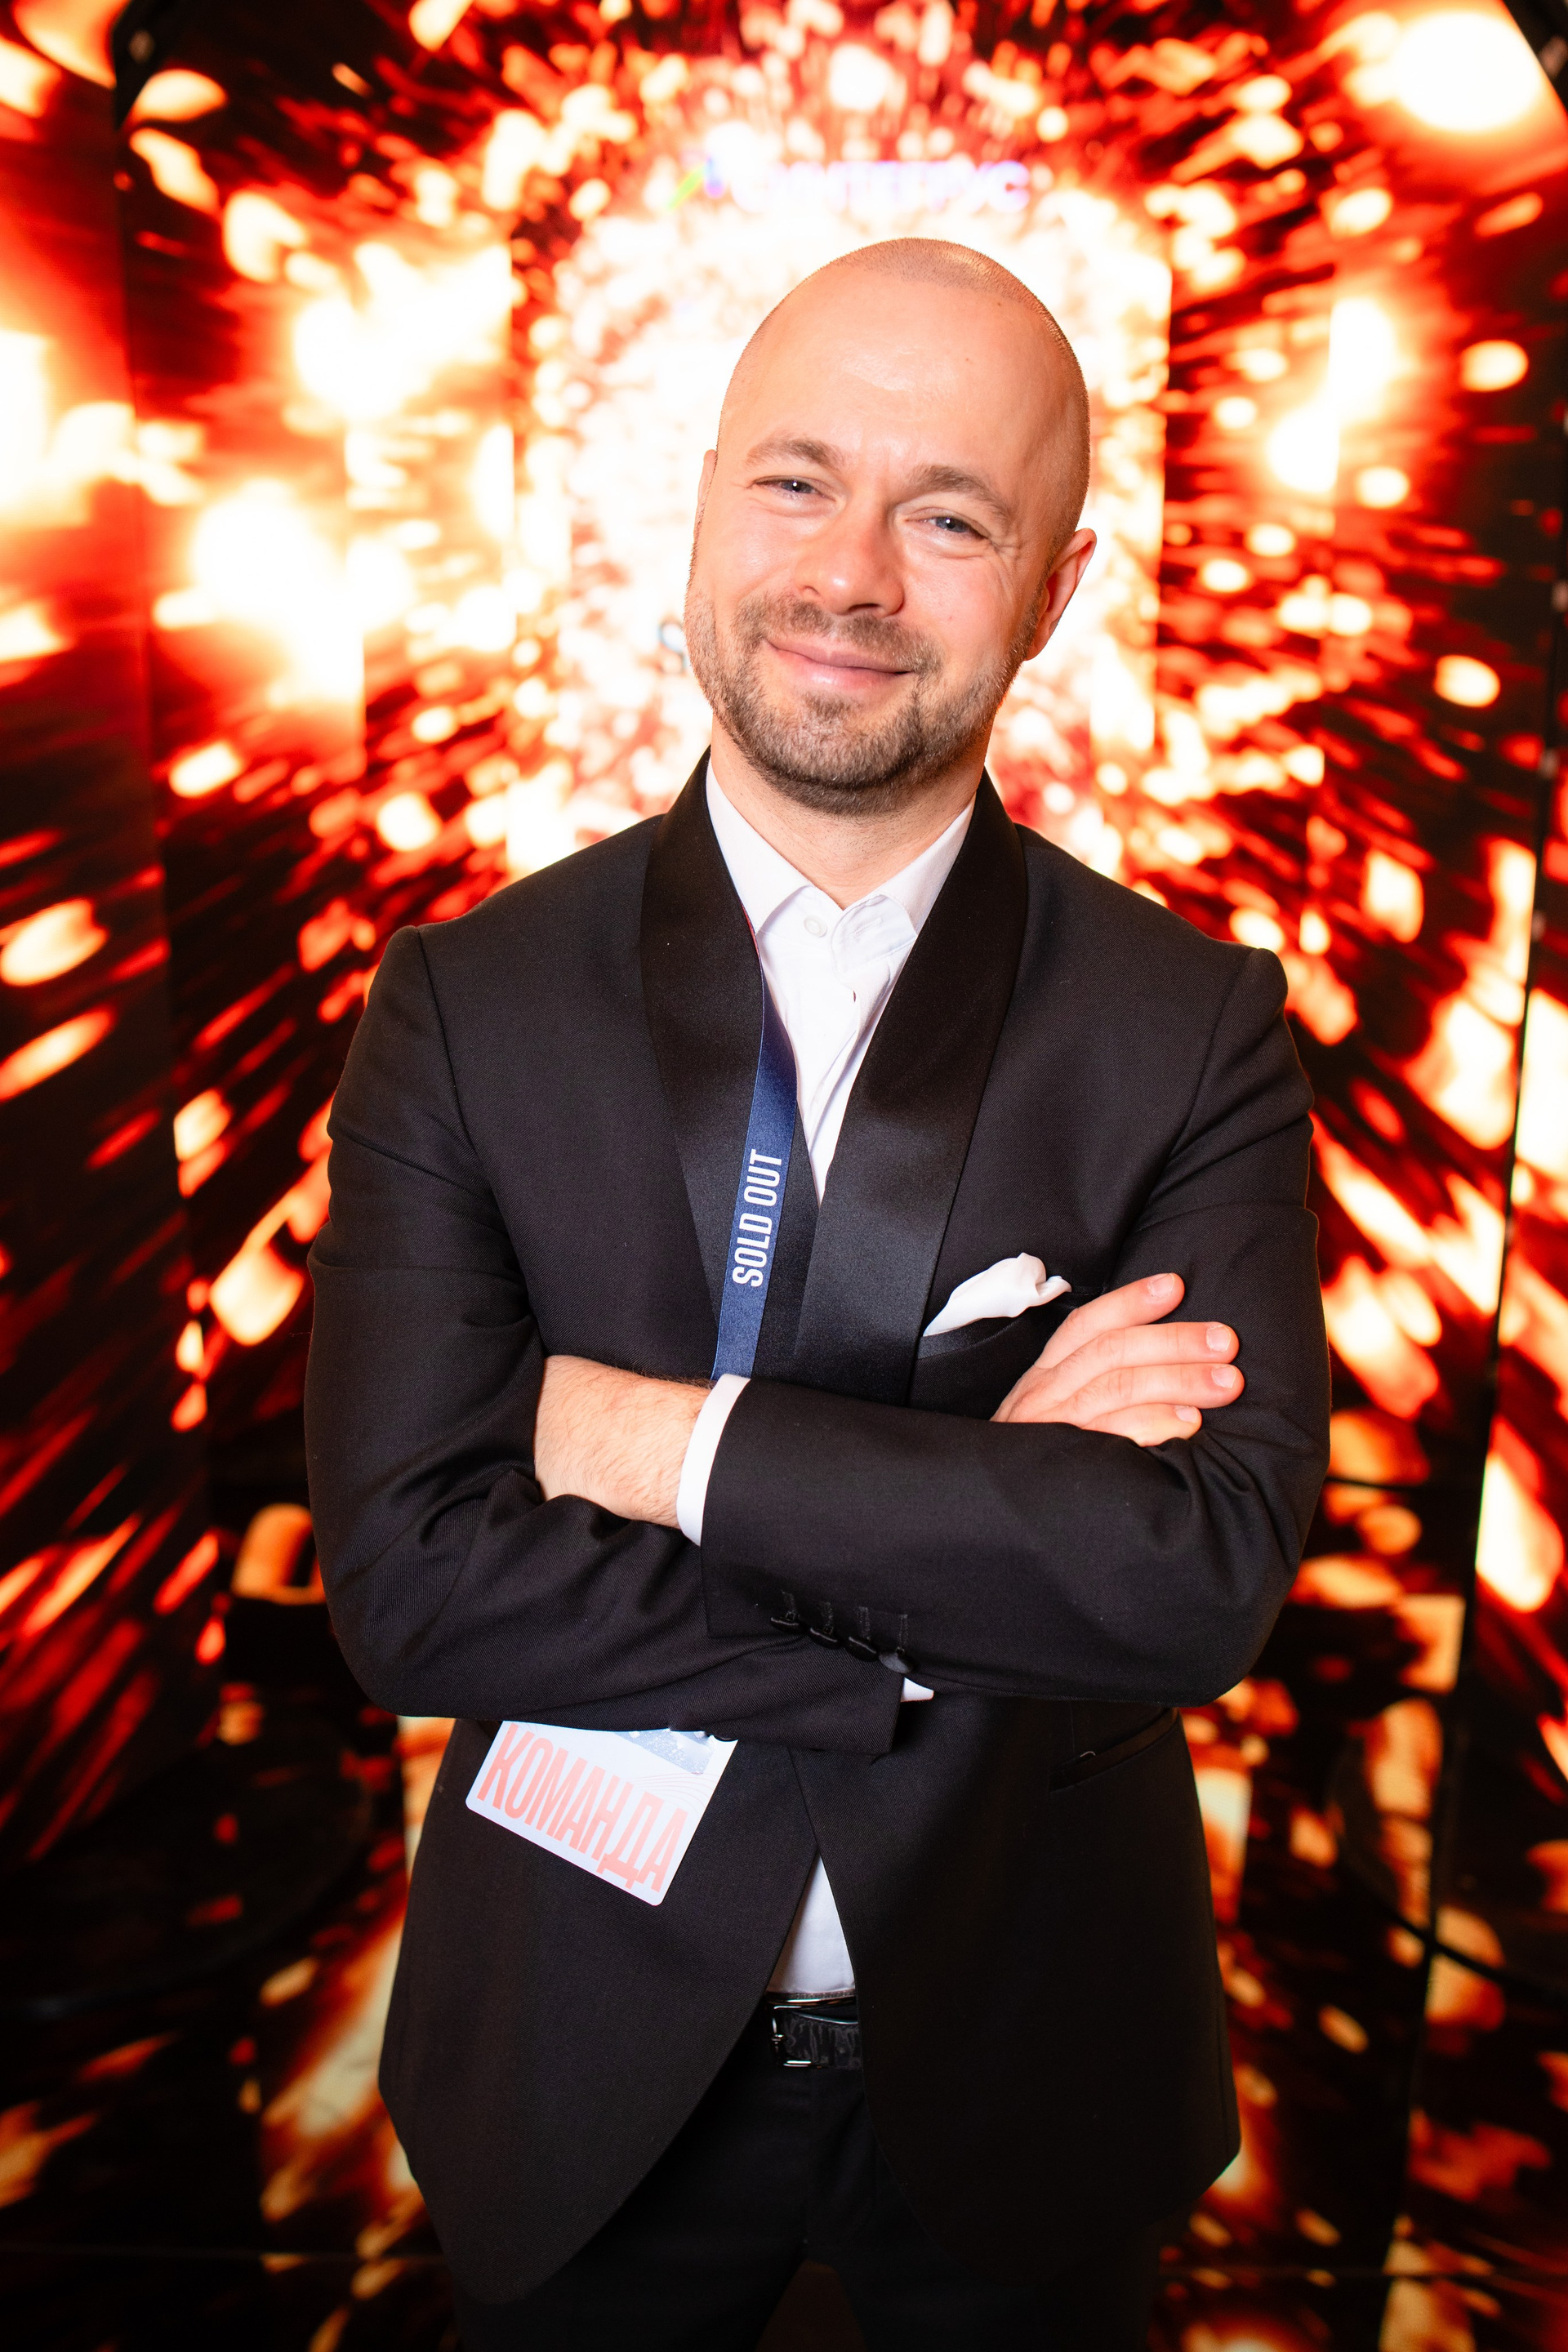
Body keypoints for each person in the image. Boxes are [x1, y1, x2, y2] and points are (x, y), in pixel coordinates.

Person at [305, 238, 1330, 2351]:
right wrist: (980, 1525)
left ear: (1054, 588)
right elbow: (410, 1591)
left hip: (1034, 2027)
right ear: (702, 504)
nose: (850, 573)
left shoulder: (1196, 1029)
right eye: (797, 481)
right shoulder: (465, 1007)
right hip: (578, 2036)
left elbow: (1189, 1587)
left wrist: (644, 1441)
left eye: (950, 517)